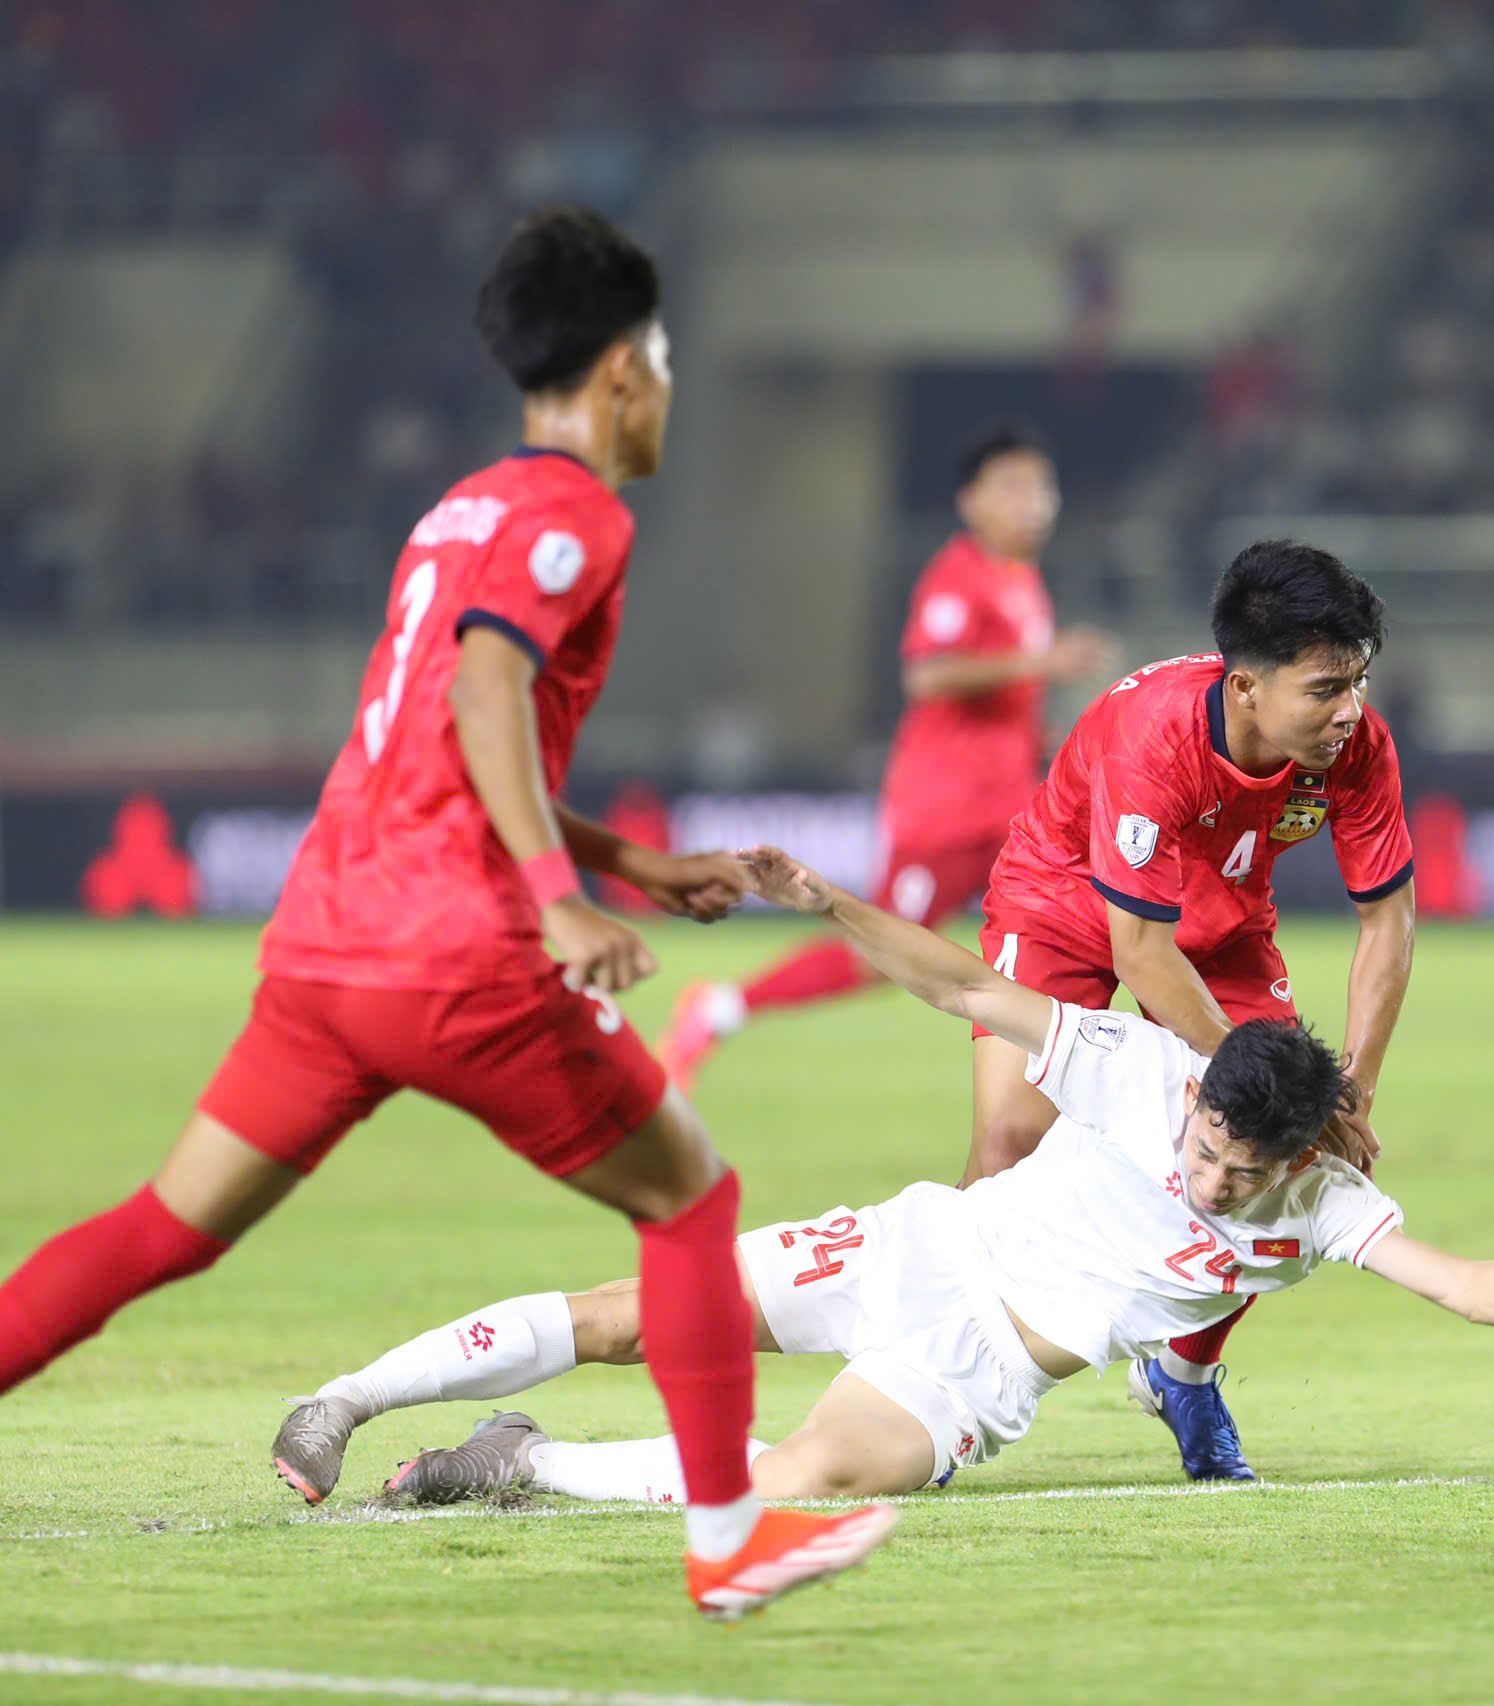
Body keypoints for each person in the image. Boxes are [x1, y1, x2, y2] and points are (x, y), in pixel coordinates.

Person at [0, 207, 892, 1622]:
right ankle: (730, 1539)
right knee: (693, 1198)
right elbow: (484, 691)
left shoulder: (457, 508)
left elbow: (441, 740)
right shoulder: (575, 514)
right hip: (456, 956)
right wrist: (555, 900)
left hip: (325, 947)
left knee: (163, 1227)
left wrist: (620, 861)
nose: (666, 390)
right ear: (617, 372)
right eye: (660, 361)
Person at [279, 845, 1494, 1509]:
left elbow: (1462, 1283)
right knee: (628, 1311)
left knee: (800, 1475)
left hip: (982, 1373)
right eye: (1207, 1149)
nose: (1212, 1179)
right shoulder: (1138, 1065)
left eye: (1240, 1168)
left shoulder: (1320, 1200)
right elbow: (962, 985)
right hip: (920, 1248)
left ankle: (518, 1464)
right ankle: (340, 1398)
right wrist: (825, 903)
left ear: (1296, 1152)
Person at [968, 539, 1417, 1482]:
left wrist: (1352, 1094)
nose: (1350, 711)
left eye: (1358, 683)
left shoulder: (1357, 749)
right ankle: (948, 1378)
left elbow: (1388, 922)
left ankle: (1184, 1375)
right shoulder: (1154, 736)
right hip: (1068, 902)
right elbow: (1138, 950)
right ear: (1246, 685)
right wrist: (1252, 1075)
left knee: (1284, 1151)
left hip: (1221, 929)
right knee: (1010, 1139)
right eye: (1326, 688)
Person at [655, 424, 1113, 1092]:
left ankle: (1086, 1084)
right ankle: (719, 1008)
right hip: (947, 807)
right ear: (971, 500)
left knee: (1078, 916)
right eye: (1013, 486)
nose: (1033, 502)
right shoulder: (959, 575)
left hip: (1007, 800)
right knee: (881, 953)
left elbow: (1001, 700)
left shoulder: (1022, 581)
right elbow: (928, 675)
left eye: (1041, 486)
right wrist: (1042, 661)